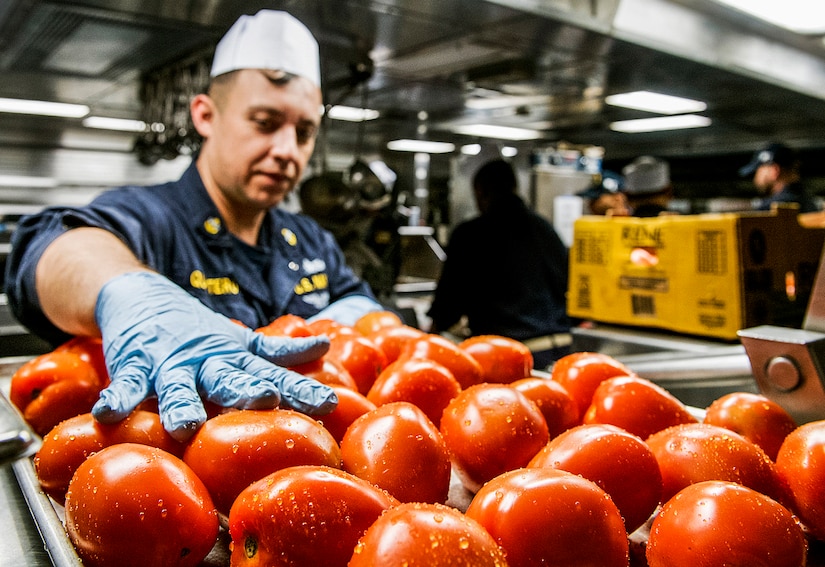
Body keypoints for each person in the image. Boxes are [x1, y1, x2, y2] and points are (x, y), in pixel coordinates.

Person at [3, 10, 385, 441]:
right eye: (264, 123)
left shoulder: (309, 238)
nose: (286, 150)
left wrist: (345, 324)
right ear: (205, 115)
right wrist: (134, 296)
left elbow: (358, 301)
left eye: (304, 132)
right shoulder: (151, 216)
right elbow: (49, 246)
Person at [427, 159, 572, 368]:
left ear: (481, 192)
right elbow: (566, 284)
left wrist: (430, 338)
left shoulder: (471, 234)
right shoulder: (546, 229)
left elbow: (450, 299)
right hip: (561, 346)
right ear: (514, 187)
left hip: (508, 352)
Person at [739, 142, 818, 213]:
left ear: (774, 171)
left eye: (757, 171)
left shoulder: (770, 209)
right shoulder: (808, 202)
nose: (755, 179)